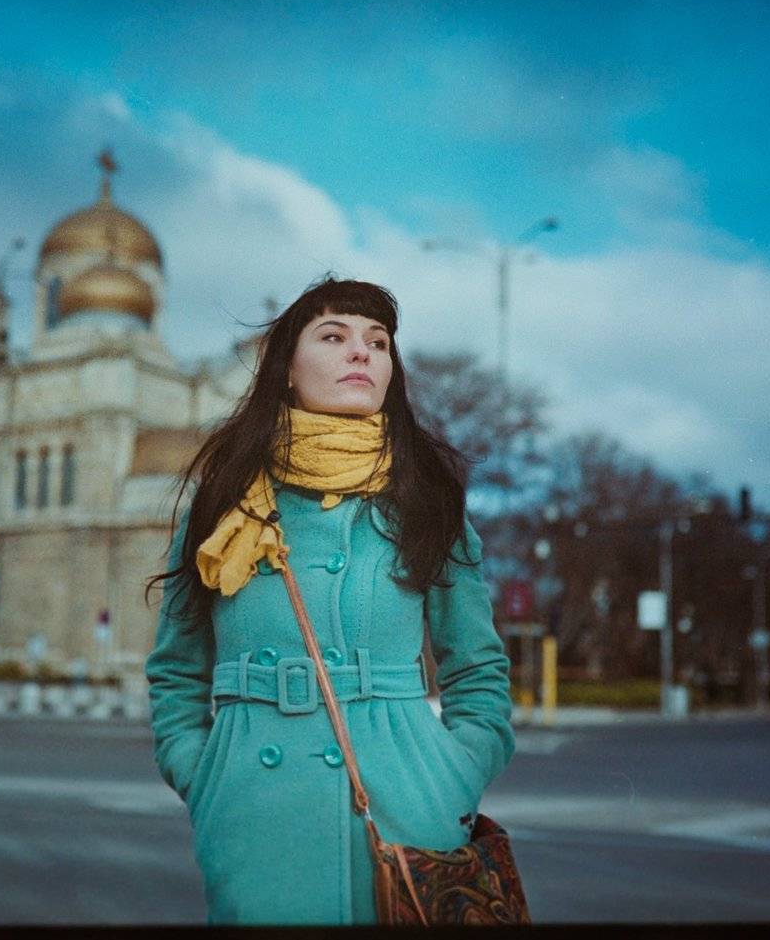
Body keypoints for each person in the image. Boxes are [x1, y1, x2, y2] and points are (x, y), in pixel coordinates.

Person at [144, 276, 515, 925]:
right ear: (286, 369)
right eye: (334, 336)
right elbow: (177, 672)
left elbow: (477, 668)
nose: (361, 351)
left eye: (378, 341)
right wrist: (207, 780)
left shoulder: (427, 501)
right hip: (255, 814)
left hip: (410, 809)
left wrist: (454, 775)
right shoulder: (224, 503)